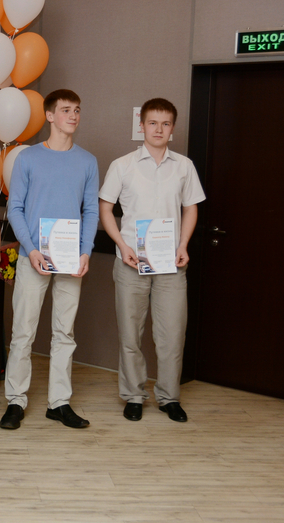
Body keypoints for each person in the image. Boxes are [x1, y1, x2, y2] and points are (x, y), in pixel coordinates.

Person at [98, 98, 206, 423]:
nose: (159, 129)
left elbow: (191, 208)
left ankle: (169, 398)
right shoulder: (122, 165)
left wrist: (183, 244)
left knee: (172, 335)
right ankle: (133, 395)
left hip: (171, 263)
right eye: (153, 123)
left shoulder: (184, 166)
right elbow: (105, 209)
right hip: (131, 262)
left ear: (172, 128)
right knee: (130, 334)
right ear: (142, 125)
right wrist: (121, 245)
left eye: (165, 123)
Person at [0, 89, 99, 431]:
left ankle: (59, 403)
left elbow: (91, 210)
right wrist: (30, 249)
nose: (73, 115)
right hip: (34, 257)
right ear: (50, 116)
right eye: (66, 110)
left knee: (64, 333)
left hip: (71, 259)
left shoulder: (87, 161)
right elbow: (15, 208)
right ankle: (16, 401)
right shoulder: (28, 158)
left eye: (77, 110)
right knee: (23, 331)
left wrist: (86, 251)